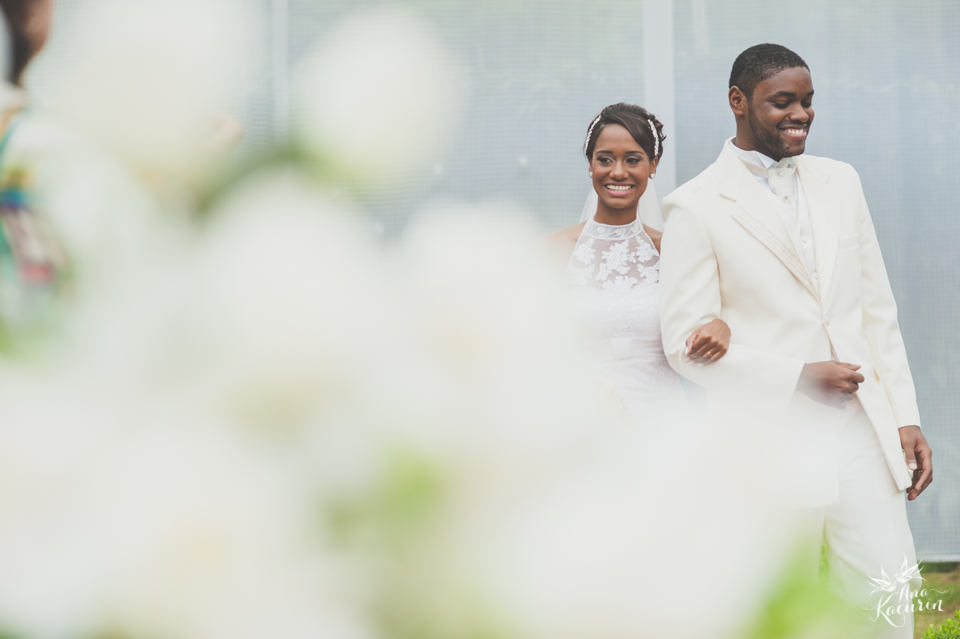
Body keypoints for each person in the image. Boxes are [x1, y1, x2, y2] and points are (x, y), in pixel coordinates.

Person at [658, 44, 931, 637]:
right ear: (738, 102)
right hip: (770, 440)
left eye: (808, 102)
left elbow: (876, 309)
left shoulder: (843, 181)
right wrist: (797, 375)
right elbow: (684, 343)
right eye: (783, 102)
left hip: (864, 425)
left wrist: (904, 417)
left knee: (884, 590)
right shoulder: (695, 207)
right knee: (786, 601)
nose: (800, 114)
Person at [546, 103, 730, 421]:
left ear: (653, 165)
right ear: (590, 164)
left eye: (632, 160)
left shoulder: (674, 250)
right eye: (605, 159)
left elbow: (715, 318)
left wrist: (722, 326)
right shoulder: (552, 251)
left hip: (663, 423)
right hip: (578, 425)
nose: (618, 172)